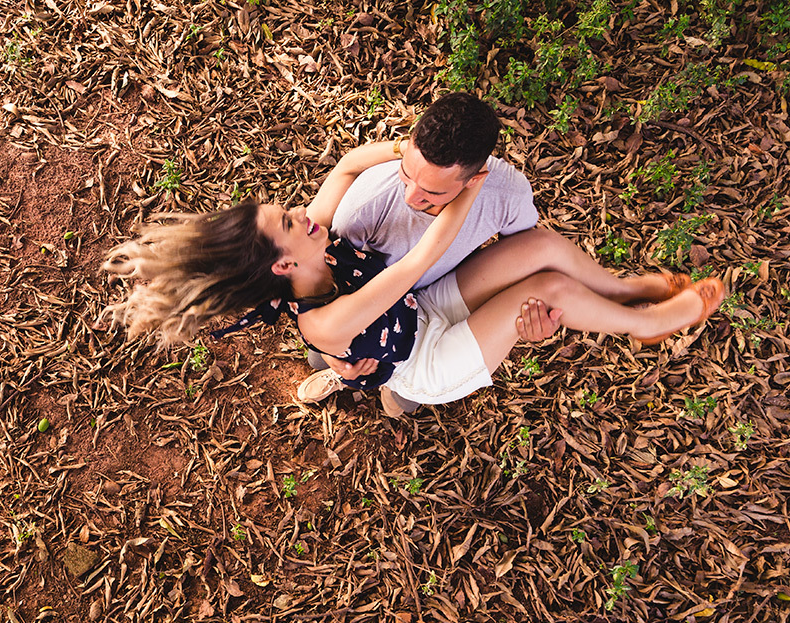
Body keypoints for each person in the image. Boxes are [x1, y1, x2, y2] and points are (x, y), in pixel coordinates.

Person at [101, 142, 725, 417]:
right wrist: (464, 186)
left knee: (537, 245)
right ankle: (655, 323)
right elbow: (417, 263)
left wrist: (410, 156)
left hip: (421, 312)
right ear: (285, 265)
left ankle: (626, 290)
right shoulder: (323, 319)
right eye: (291, 220)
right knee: (549, 292)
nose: (304, 213)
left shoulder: (317, 245)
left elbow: (345, 166)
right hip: (424, 357)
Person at [296, 92, 663, 412]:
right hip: (361, 313)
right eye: (407, 175)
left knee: (402, 401)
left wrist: (529, 317)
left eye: (431, 194)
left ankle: (624, 292)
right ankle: (340, 376)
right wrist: (335, 351)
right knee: (331, 357)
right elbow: (316, 289)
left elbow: (520, 259)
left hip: (429, 306)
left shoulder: (506, 193)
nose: (410, 197)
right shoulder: (367, 207)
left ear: (473, 180)